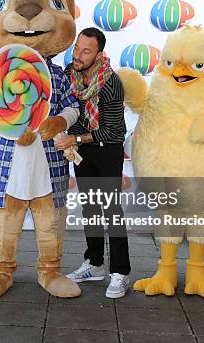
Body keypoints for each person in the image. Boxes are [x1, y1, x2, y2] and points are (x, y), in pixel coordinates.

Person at [55, 27, 131, 298]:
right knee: (90, 208)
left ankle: (120, 272)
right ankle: (95, 264)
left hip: (107, 148)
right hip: (82, 148)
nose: (78, 55)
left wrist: (75, 138)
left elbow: (112, 131)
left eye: (85, 51)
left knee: (111, 210)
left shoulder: (111, 82)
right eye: (76, 48)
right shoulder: (68, 74)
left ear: (99, 54)